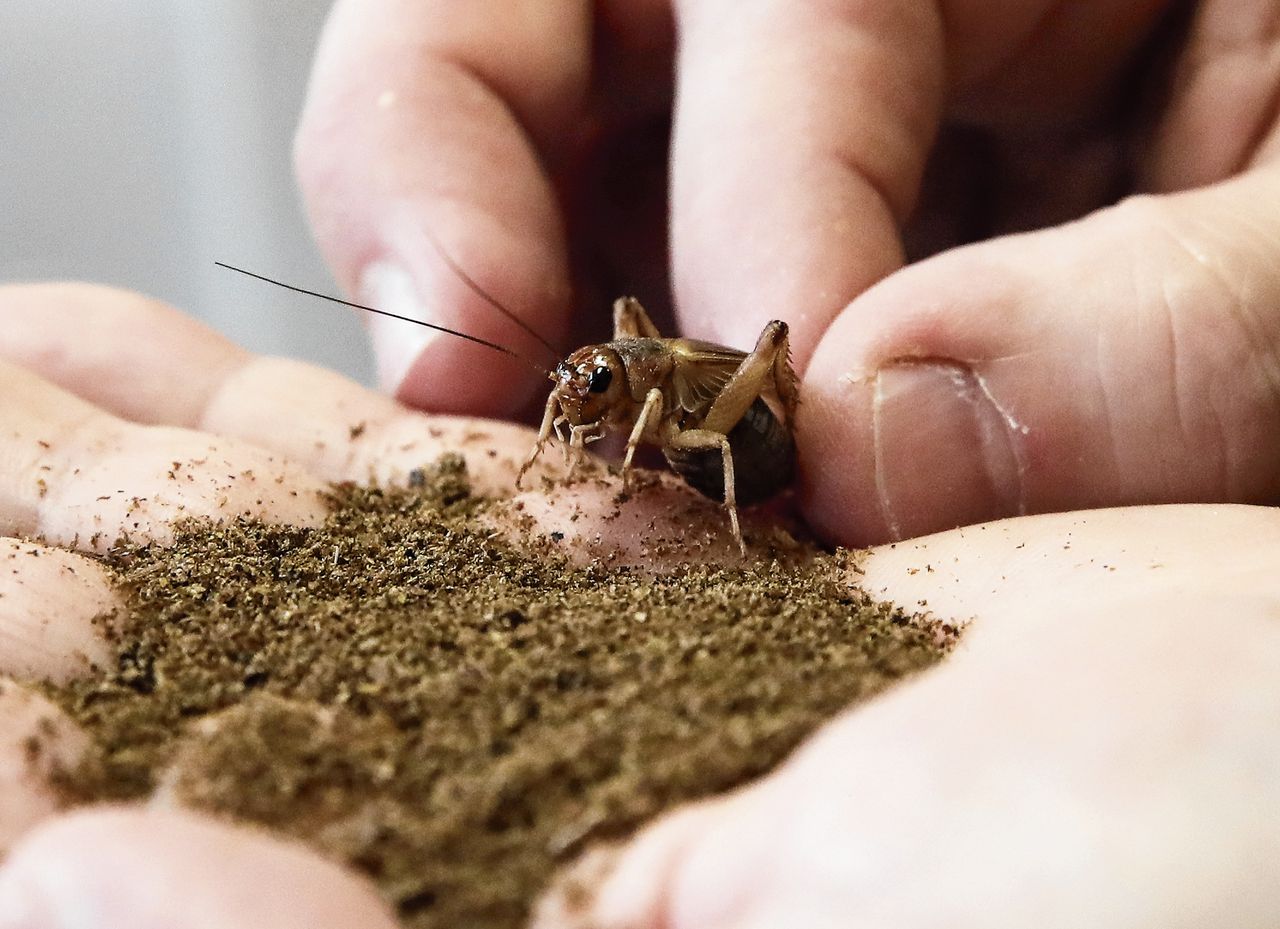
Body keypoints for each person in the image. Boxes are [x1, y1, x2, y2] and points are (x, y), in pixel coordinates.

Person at [2, 1, 1280, 925]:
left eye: (595, 383)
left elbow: (725, 382)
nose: (575, 394)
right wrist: (581, 413)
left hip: (764, 439)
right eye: (580, 388)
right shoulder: (604, 375)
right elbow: (587, 390)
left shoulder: (676, 400)